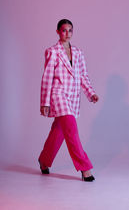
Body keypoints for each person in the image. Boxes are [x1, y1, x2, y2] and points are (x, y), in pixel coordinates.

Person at [38, 19, 99, 182]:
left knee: (58, 132)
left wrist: (91, 94)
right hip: (58, 95)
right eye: (64, 30)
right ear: (58, 32)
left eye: (70, 30)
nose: (67, 33)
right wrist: (45, 102)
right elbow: (47, 77)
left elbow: (83, 76)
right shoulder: (52, 51)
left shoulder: (78, 53)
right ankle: (85, 168)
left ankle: (44, 161)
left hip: (73, 97)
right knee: (71, 130)